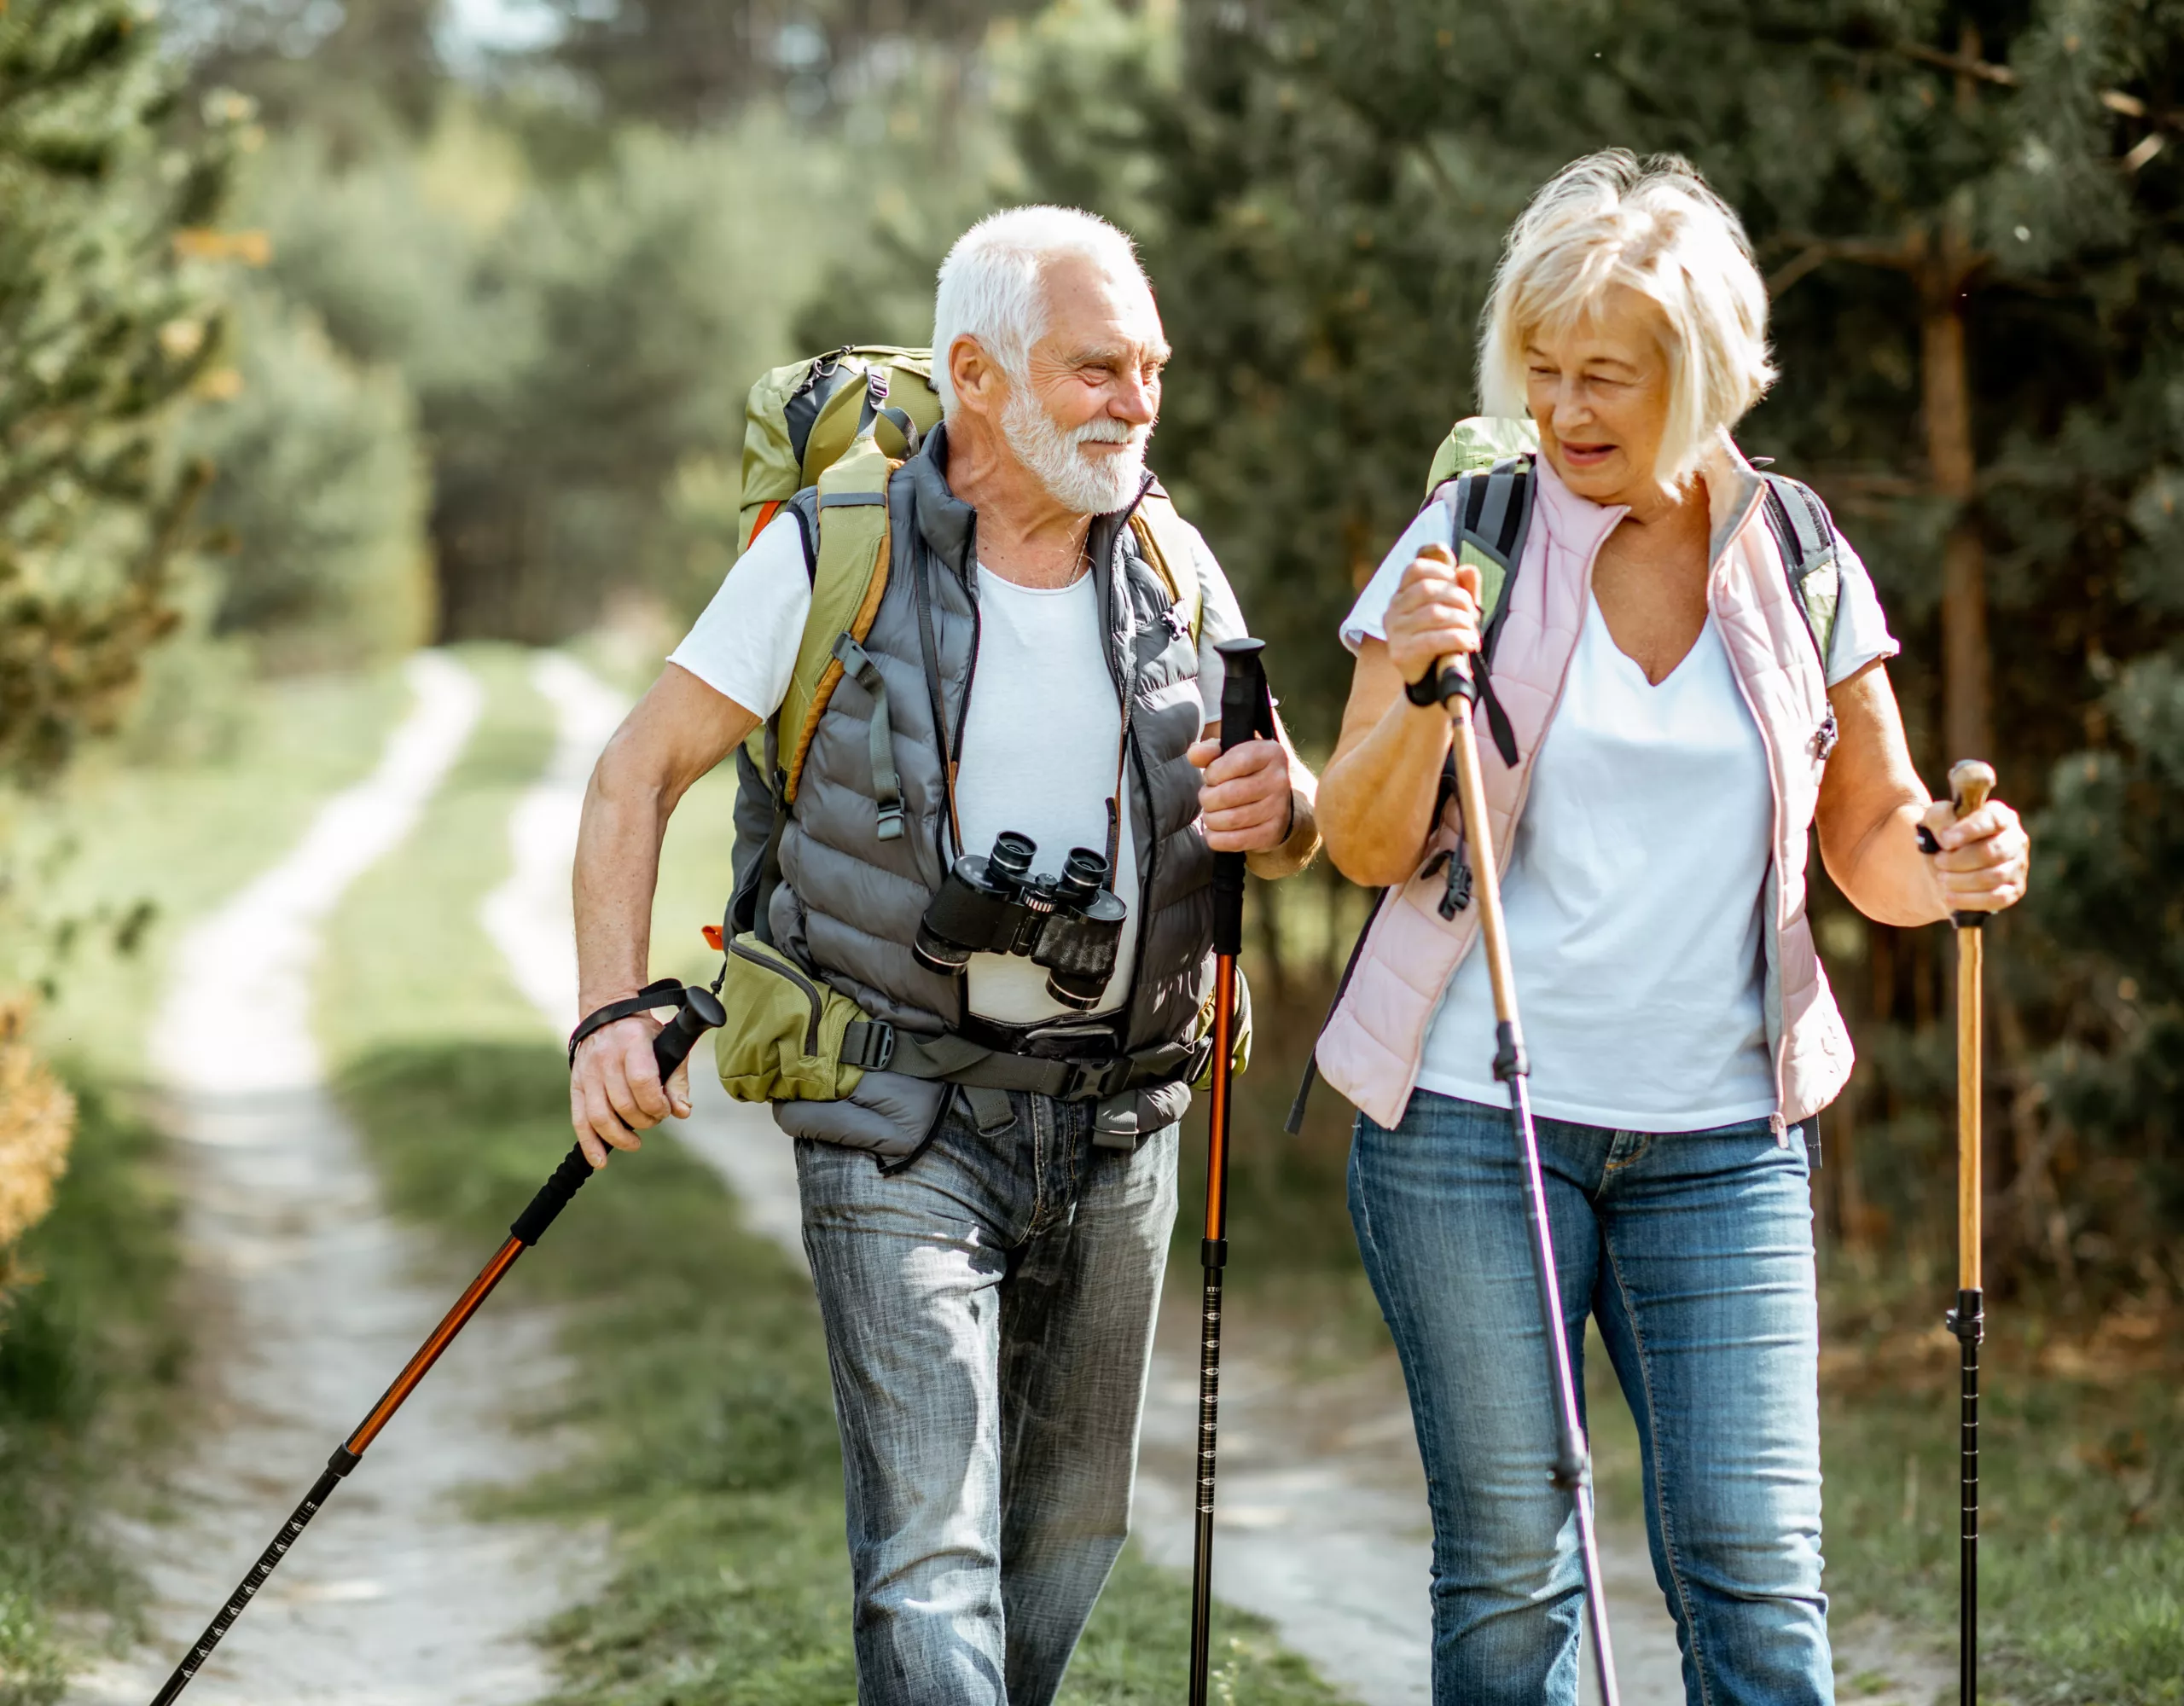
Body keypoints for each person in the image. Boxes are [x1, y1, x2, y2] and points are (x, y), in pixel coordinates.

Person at [566, 205, 1321, 1705]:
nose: (1138, 402)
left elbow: (1280, 817)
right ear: (978, 376)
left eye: (1151, 368)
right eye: (1097, 368)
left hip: (1118, 1122)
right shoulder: (826, 551)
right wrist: (606, 1010)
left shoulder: (1172, 556)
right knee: (927, 1557)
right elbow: (632, 776)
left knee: (1068, 1537)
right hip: (896, 1115)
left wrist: (1284, 806)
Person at [1313, 152, 2030, 1706]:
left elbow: (1874, 838)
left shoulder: (1795, 548)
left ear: (1702, 376)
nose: (1567, 411)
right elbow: (1357, 841)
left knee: (1760, 1573)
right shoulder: (1470, 531)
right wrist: (1428, 686)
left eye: (1608, 380)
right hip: (1470, 1122)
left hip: (1725, 1136)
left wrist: (1957, 859)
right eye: (1546, 373)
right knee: (1516, 1578)